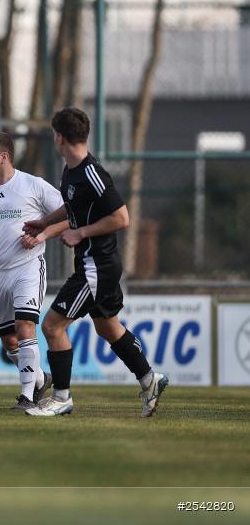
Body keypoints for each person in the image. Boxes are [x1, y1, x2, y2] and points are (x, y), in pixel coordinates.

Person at [23, 108, 168, 417]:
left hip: (96, 266)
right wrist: (44, 224)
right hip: (96, 264)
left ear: (60, 137)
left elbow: (122, 217)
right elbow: (72, 207)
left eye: (54, 135)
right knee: (107, 328)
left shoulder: (92, 172)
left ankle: (61, 397)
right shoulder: (71, 170)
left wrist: (81, 233)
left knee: (52, 326)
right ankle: (149, 378)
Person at [0, 132, 69, 410]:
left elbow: (71, 215)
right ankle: (38, 378)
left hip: (29, 267)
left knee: (25, 326)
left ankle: (28, 396)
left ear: (3, 156)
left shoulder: (33, 185)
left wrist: (42, 235)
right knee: (9, 340)